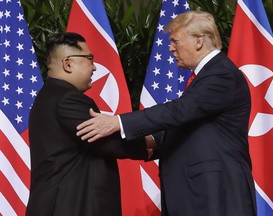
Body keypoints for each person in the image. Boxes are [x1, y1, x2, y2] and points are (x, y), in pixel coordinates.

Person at [76, 11, 257, 216]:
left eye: (175, 41)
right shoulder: (207, 75)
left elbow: (179, 111)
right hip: (199, 192)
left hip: (216, 191)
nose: (171, 48)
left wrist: (118, 122)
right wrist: (153, 141)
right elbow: (190, 123)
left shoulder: (221, 73)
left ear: (199, 41)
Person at [26, 32, 154, 216]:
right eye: (89, 58)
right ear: (68, 64)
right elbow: (108, 142)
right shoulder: (67, 99)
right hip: (71, 207)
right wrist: (153, 143)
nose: (94, 67)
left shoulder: (49, 96)